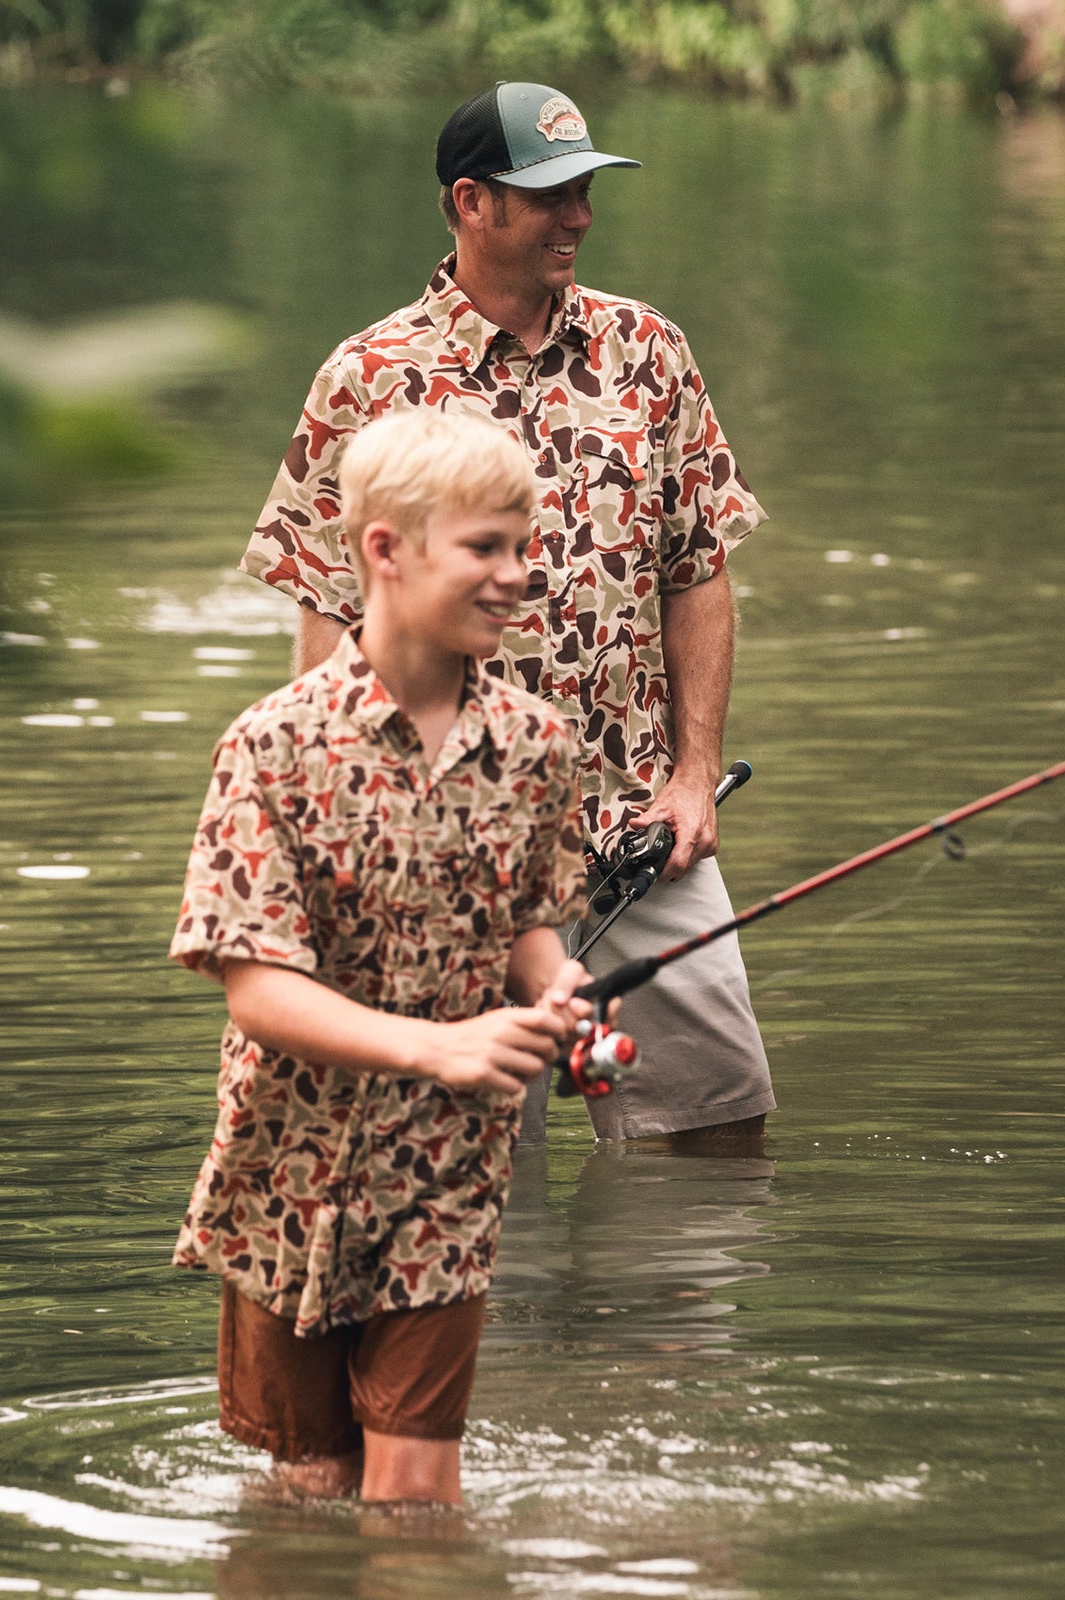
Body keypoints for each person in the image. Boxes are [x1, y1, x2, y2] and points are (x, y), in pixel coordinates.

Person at [240, 80, 774, 1153]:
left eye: (585, 191)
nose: (579, 215)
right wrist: (357, 814)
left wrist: (692, 772)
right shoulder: (367, 377)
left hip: (640, 829)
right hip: (453, 845)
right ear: (469, 202)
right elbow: (326, 610)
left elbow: (697, 566)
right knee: (476, 1167)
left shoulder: (648, 351)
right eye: (549, 196)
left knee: (717, 1136)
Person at [171, 411, 593, 1504]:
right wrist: (441, 1046)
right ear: (385, 550)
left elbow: (526, 925)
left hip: (448, 1173)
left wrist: (560, 992)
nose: (516, 574)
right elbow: (259, 992)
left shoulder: (540, 749)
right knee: (309, 1487)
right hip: (285, 1174)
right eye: (485, 547)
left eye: (523, 546)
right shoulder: (270, 746)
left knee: (413, 1496)